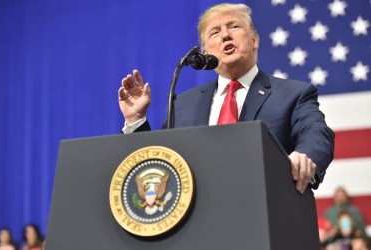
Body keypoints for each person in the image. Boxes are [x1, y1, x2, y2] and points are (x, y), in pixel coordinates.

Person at [118, 3, 335, 193]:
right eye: (215, 32)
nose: (225, 35)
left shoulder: (293, 94)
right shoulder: (182, 105)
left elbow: (317, 133)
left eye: (234, 26)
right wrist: (136, 120)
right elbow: (157, 162)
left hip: (265, 213)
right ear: (205, 52)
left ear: (254, 39)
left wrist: (304, 156)